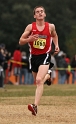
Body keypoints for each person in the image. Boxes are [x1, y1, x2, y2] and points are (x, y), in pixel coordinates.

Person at [19, 6, 60, 116]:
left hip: (45, 55)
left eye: (42, 11)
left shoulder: (50, 26)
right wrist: (29, 39)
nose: (40, 13)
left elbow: (55, 35)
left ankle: (35, 106)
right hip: (33, 57)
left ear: (45, 14)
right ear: (34, 15)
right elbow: (21, 41)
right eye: (37, 12)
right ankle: (48, 75)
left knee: (38, 80)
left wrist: (56, 45)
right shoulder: (30, 27)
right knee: (38, 81)